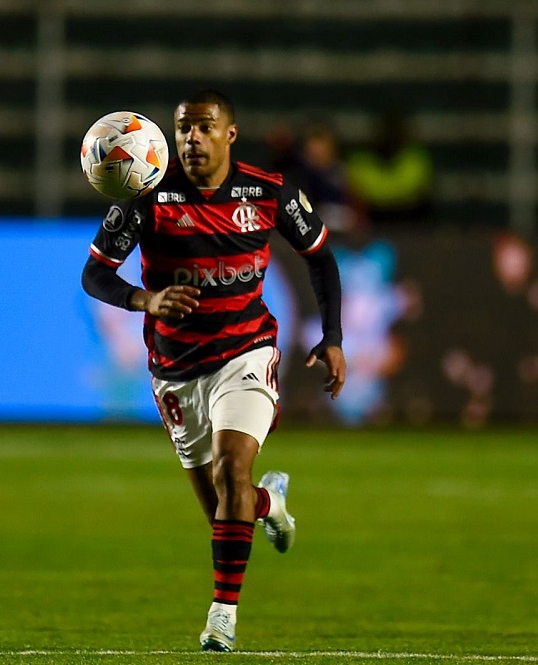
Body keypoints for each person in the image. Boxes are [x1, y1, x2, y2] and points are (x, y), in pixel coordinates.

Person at [81, 90, 346, 652]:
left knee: (231, 469)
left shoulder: (269, 191)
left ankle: (221, 618)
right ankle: (269, 501)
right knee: (226, 506)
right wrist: (144, 301)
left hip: (246, 351)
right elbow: (96, 275)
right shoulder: (146, 198)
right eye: (183, 129)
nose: (192, 138)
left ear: (231, 134)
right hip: (175, 369)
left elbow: (320, 256)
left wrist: (334, 338)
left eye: (204, 127)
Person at [345, 109, 433, 225]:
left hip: (411, 221)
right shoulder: (360, 160)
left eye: (397, 131)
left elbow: (412, 193)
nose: (391, 135)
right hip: (372, 223)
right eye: (386, 130)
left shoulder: (416, 158)